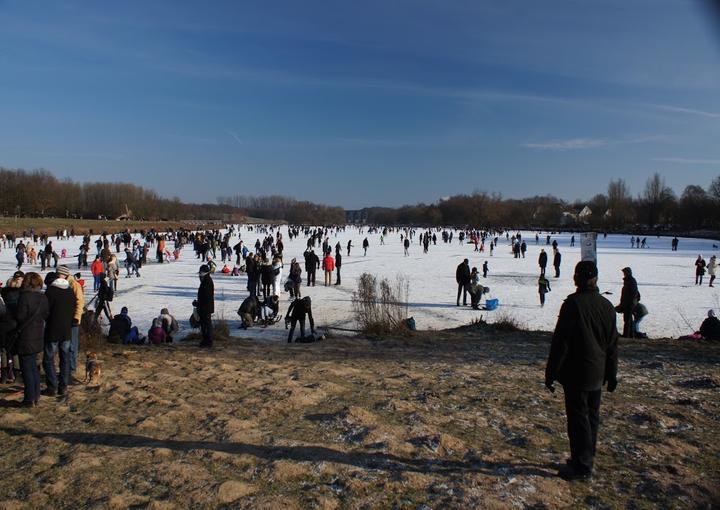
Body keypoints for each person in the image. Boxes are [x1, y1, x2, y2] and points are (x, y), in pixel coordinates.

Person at [545, 261, 618, 481]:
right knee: (591, 418)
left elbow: (561, 343)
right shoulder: (607, 306)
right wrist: (611, 374)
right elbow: (613, 344)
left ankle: (582, 465)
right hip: (597, 372)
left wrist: (551, 373)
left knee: (578, 419)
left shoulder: (573, 304)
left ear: (578, 278)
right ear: (595, 278)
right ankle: (584, 457)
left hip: (576, 372)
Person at [14, 272, 49, 407]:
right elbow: (46, 314)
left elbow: (20, 316)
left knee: (27, 368)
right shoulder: (43, 297)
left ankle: (29, 399)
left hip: (26, 336)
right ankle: (36, 395)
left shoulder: (24, 297)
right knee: (33, 367)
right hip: (38, 335)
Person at [43, 267, 77, 397]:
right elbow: (74, 307)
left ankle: (52, 386)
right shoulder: (70, 291)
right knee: (65, 358)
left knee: (48, 358)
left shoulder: (50, 291)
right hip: (66, 329)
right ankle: (63, 386)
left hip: (52, 329)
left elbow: (46, 311)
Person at [616, 267, 639, 338]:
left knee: (627, 320)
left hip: (629, 304)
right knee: (628, 320)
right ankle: (630, 335)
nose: (624, 274)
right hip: (626, 304)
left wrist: (630, 304)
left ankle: (627, 335)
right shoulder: (628, 281)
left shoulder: (631, 281)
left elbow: (633, 294)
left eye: (624, 272)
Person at [195, 264, 214, 347]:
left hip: (205, 308)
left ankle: (208, 341)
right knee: (204, 325)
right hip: (205, 307)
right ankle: (205, 340)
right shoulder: (205, 280)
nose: (199, 274)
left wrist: (198, 304)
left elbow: (205, 297)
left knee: (206, 325)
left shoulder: (207, 281)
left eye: (201, 273)